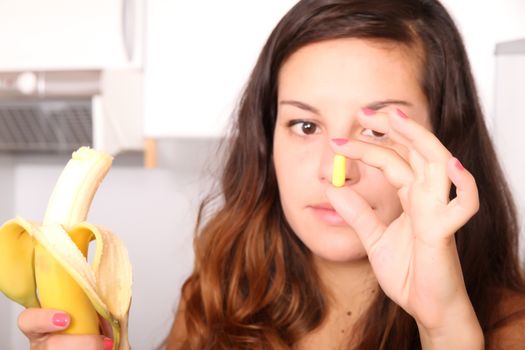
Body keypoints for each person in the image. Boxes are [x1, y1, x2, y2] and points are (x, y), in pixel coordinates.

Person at [18, 0, 525, 349]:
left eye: (376, 132)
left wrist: (445, 331)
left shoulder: (506, 331)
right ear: (268, 141)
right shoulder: (221, 295)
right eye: (305, 125)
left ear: (444, 145)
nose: (335, 173)